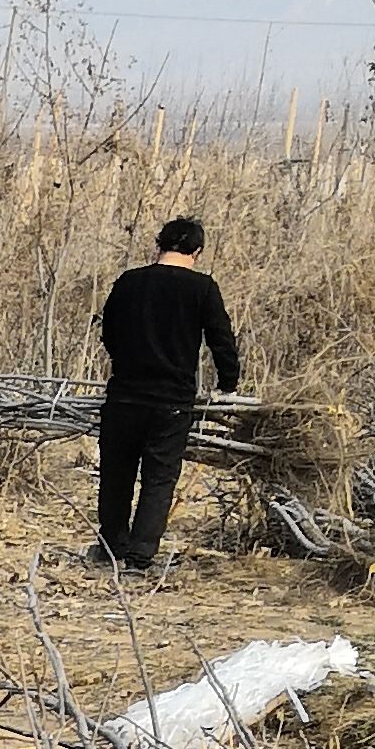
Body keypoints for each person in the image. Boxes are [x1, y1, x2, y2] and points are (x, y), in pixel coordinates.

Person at [93, 213, 242, 576]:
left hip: (125, 393)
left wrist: (125, 360)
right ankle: (141, 556)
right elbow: (221, 339)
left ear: (158, 245)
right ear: (198, 250)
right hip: (172, 399)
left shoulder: (129, 282)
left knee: (117, 474)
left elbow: (108, 331)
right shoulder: (202, 288)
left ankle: (112, 546)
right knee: (159, 477)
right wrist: (228, 383)